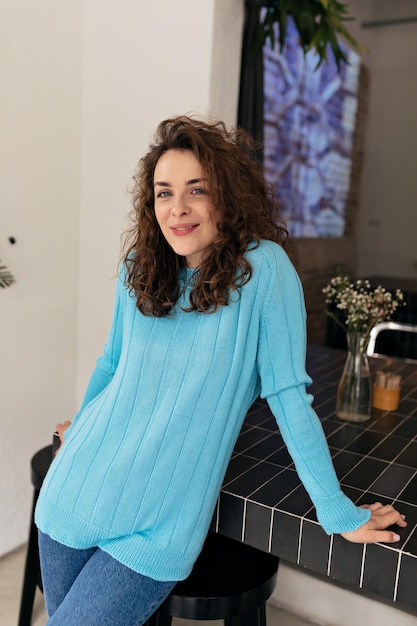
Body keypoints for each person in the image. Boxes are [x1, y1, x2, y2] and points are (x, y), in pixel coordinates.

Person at [35, 115, 406, 625]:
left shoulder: (263, 270)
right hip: (75, 490)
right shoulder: (139, 266)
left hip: (158, 526)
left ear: (226, 196)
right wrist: (79, 427)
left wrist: (336, 510)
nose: (177, 208)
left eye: (196, 190)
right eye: (164, 193)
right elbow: (112, 362)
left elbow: (288, 397)